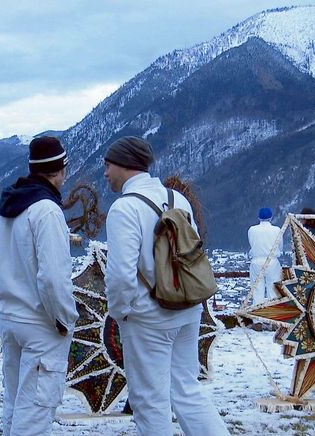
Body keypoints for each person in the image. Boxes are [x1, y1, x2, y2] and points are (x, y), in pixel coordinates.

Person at [102, 136, 228, 436]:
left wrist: (121, 313)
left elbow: (120, 275)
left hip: (147, 316)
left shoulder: (124, 209)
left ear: (124, 165)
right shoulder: (177, 200)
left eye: (108, 166)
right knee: (187, 390)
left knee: (150, 401)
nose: (106, 173)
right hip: (187, 308)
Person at [0, 136, 78, 435]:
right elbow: (52, 277)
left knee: (14, 402)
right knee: (35, 411)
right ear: (60, 169)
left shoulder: (2, 205)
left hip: (9, 317)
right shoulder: (48, 211)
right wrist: (64, 318)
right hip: (40, 322)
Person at [248, 208, 283, 305]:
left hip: (256, 261)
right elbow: (280, 246)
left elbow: (251, 243)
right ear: (271, 218)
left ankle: (257, 318)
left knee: (257, 293)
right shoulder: (276, 230)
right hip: (272, 262)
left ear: (259, 217)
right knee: (274, 292)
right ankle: (272, 316)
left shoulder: (252, 230)